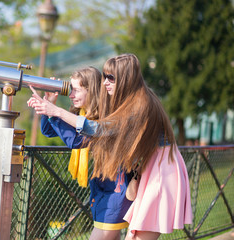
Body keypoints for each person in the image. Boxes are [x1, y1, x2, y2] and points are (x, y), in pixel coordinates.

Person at [28, 53, 192, 240]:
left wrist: (56, 111)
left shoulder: (139, 105)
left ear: (126, 78)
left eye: (111, 78)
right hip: (153, 168)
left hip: (160, 171)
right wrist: (50, 108)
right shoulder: (133, 101)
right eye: (104, 76)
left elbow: (99, 129)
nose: (104, 82)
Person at [29, 66, 102, 187]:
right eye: (71, 89)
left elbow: (76, 141)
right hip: (96, 185)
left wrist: (54, 111)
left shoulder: (103, 119)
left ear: (91, 91)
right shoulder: (81, 112)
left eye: (76, 90)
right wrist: (49, 103)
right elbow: (48, 131)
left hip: (112, 184)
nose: (71, 95)